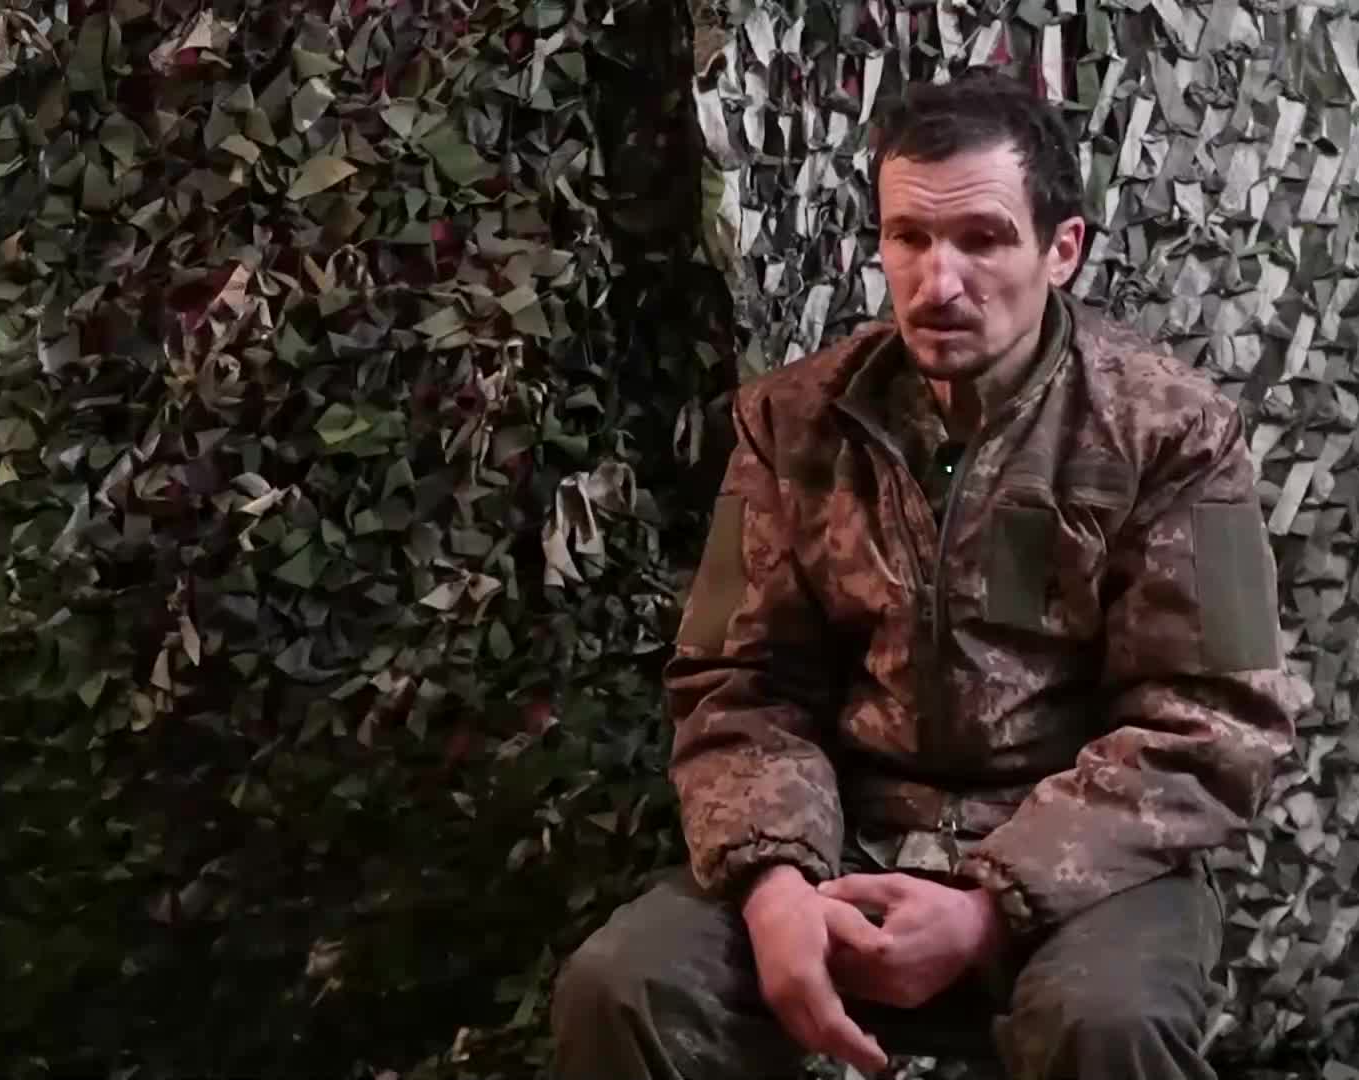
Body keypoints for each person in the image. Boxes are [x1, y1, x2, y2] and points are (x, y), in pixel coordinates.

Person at [550, 69, 1310, 1080]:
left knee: (1107, 1026)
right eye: (908, 237)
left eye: (982, 239)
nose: (937, 282)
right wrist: (773, 882)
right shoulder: (787, 421)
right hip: (846, 835)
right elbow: (736, 680)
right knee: (620, 986)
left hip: (1087, 860)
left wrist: (993, 904)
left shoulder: (1178, 435)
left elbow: (1219, 720)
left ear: (1062, 250)